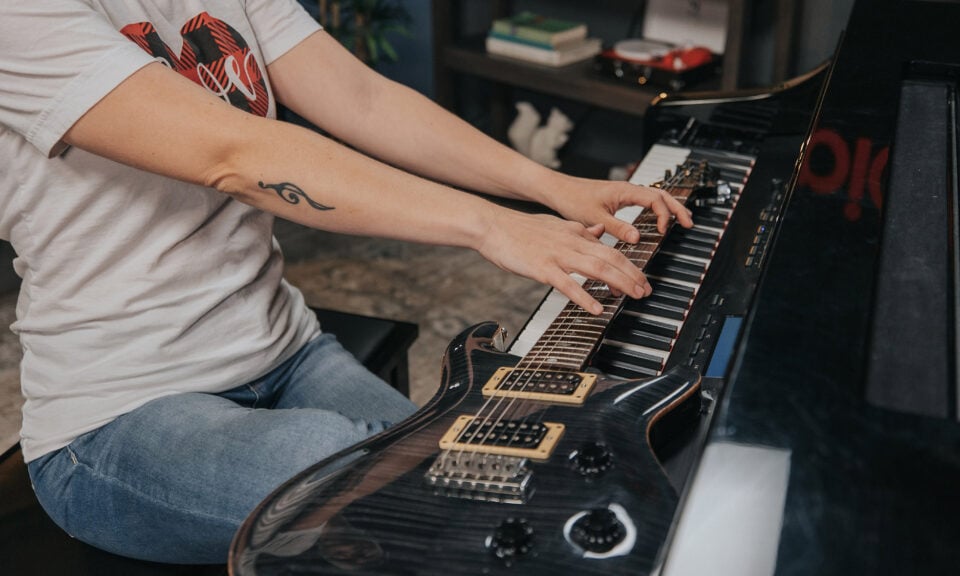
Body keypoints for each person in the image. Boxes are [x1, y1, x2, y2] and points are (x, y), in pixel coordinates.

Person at [0, 0, 691, 564]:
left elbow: (362, 98)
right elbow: (234, 157)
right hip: (116, 415)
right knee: (392, 490)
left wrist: (549, 187)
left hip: (287, 350)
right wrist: (490, 226)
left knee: (490, 477)